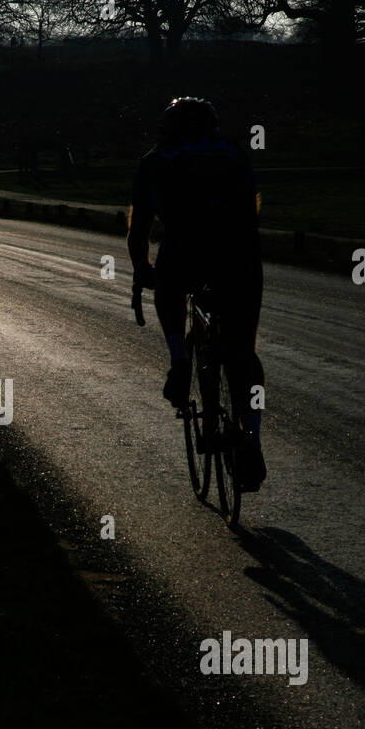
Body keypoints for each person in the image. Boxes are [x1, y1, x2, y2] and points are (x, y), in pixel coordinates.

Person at [127, 97, 267, 490]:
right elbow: (251, 213)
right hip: (238, 255)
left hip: (184, 251)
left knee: (168, 289)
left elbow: (139, 229)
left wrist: (142, 270)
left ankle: (177, 359)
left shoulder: (155, 160)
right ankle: (252, 438)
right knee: (244, 352)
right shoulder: (234, 154)